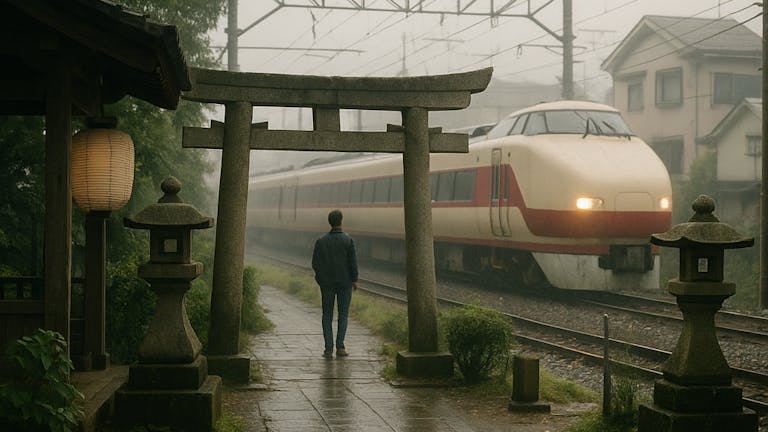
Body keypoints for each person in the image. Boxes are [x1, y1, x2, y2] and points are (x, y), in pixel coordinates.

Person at [312, 209, 359, 358]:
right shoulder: (348, 240)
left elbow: (315, 263)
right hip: (345, 283)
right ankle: (340, 347)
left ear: (329, 222)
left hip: (327, 284)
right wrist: (354, 279)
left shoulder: (321, 241)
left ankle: (328, 349)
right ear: (341, 221)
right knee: (343, 315)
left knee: (327, 315)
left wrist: (320, 279)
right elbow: (353, 263)